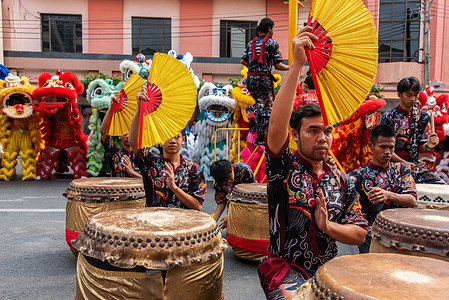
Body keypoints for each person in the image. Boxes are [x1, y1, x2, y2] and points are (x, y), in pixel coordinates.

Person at [258, 27, 368, 299]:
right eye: (313, 131)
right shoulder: (282, 168)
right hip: (285, 269)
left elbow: (359, 235)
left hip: (329, 271)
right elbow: (275, 127)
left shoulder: (342, 180)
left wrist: (328, 227)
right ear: (295, 136)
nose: (323, 138)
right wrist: (296, 64)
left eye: (327, 131)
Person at [129, 85, 207, 210]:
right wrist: (139, 107)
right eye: (167, 136)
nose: (172, 141)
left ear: (183, 140)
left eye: (176, 137)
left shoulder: (193, 169)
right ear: (160, 140)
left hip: (182, 226)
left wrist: (174, 188)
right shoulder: (150, 162)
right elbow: (133, 143)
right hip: (155, 224)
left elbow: (197, 205)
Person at [349, 124, 417, 253]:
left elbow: (412, 199)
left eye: (391, 147)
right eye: (383, 147)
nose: (388, 152)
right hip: (370, 235)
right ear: (371, 146)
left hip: (400, 234)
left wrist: (388, 195)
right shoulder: (358, 176)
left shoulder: (401, 169)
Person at [381, 77, 446, 184]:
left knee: (441, 185)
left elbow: (424, 145)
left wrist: (430, 144)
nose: (413, 99)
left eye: (415, 95)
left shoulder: (423, 116)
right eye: (409, 95)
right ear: (399, 95)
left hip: (414, 166)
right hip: (391, 166)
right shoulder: (389, 116)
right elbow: (384, 148)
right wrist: (404, 163)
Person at [241, 17, 289, 145]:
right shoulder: (272, 43)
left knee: (259, 104)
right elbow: (278, 65)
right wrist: (291, 67)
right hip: (263, 79)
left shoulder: (251, 43)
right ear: (269, 28)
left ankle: (256, 129)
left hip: (250, 79)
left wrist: (253, 67)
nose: (273, 31)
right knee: (266, 107)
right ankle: (261, 137)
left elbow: (243, 60)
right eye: (273, 28)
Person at [100, 95, 141, 178]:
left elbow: (150, 181)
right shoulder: (114, 153)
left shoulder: (141, 155)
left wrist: (132, 172)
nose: (128, 136)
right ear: (119, 135)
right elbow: (103, 132)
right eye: (125, 133)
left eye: (130, 133)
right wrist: (111, 107)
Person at [210, 159, 255, 228]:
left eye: (230, 177)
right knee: (233, 230)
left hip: (250, 204)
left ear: (232, 168)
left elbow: (250, 198)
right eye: (226, 180)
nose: (229, 181)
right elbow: (222, 201)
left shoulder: (244, 171)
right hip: (233, 204)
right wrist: (213, 222)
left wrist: (232, 216)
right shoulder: (219, 182)